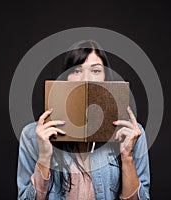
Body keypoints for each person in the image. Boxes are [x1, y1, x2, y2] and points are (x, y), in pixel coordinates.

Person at [17, 40, 150, 200]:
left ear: (106, 78)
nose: (86, 78)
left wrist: (127, 157)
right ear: (66, 78)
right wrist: (45, 156)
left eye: (95, 70)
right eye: (77, 70)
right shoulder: (32, 135)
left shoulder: (131, 134)